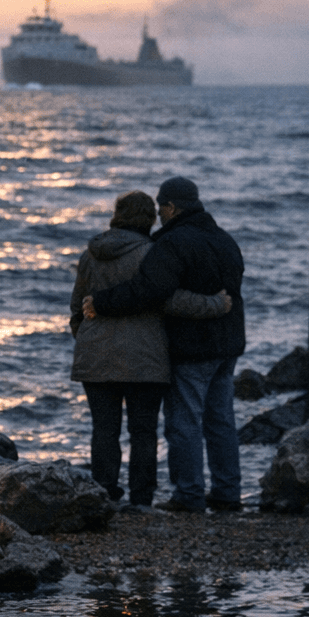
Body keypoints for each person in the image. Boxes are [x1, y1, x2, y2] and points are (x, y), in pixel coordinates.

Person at [86, 176, 247, 513]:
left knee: (184, 422)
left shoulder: (173, 243)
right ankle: (228, 492)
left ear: (172, 207)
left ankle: (189, 494)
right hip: (227, 345)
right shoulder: (224, 240)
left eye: (161, 207)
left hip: (192, 346)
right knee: (221, 421)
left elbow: (150, 291)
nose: (158, 214)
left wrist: (101, 302)